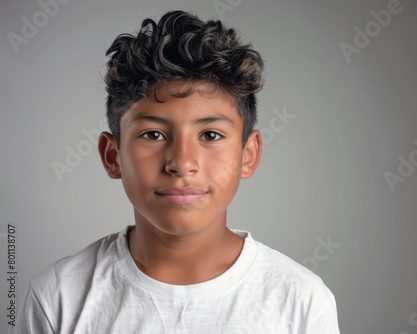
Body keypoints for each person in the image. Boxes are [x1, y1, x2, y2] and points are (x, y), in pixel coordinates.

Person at [12, 10, 341, 333]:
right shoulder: (59, 298)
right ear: (112, 155)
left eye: (210, 135)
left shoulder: (301, 301)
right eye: (153, 135)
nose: (182, 163)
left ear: (248, 155)